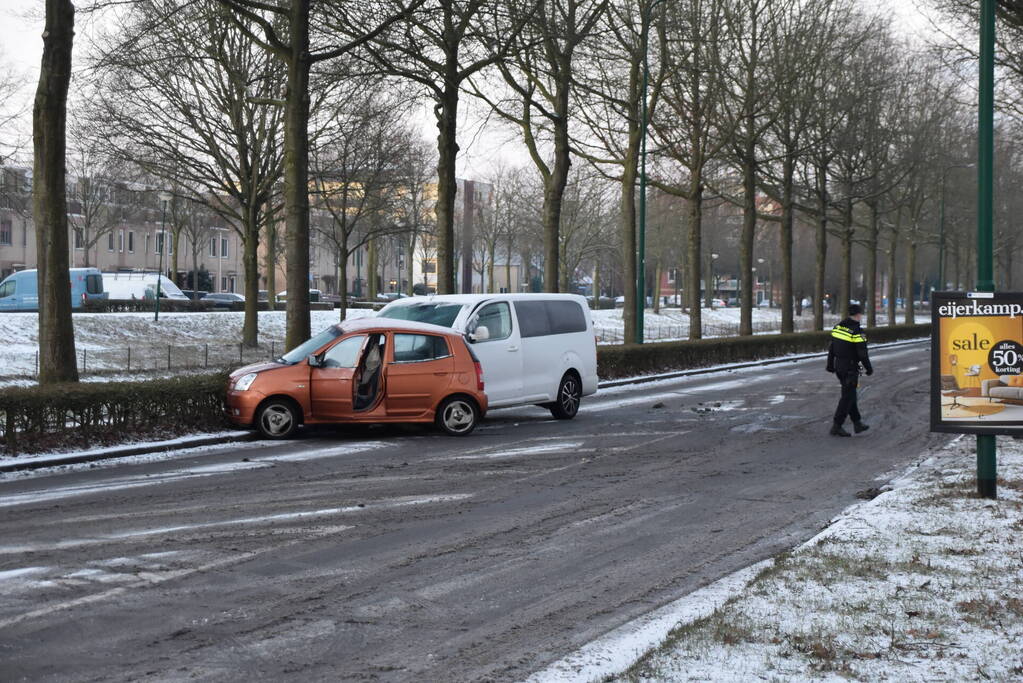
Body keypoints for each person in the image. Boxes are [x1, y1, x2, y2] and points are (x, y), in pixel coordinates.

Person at [826, 303, 872, 437]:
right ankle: (837, 425)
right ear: (858, 315)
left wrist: (830, 365)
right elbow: (863, 353)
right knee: (847, 397)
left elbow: (832, 348)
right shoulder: (857, 331)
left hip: (839, 367)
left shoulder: (838, 327)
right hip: (851, 368)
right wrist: (868, 368)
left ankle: (857, 423)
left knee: (850, 394)